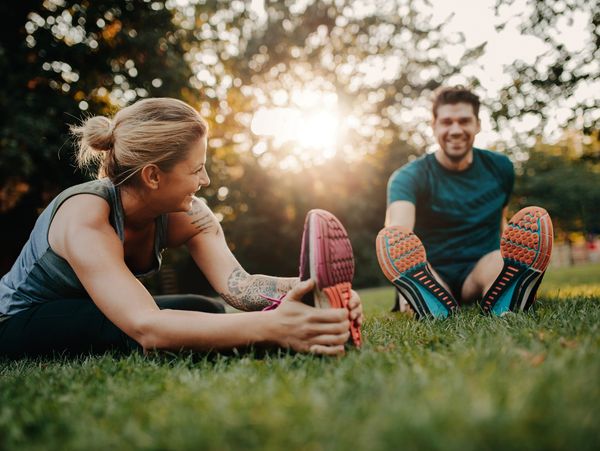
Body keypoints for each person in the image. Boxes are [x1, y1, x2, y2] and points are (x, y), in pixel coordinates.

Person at [0, 98, 362, 358]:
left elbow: (240, 286)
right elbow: (147, 325)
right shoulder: (85, 217)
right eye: (195, 169)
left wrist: (316, 289)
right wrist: (274, 328)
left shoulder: (188, 213)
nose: (204, 180)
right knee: (126, 330)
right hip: (18, 320)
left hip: (93, 310)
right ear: (153, 175)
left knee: (205, 310)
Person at [376, 86, 553, 318]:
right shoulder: (409, 177)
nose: (456, 130)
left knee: (500, 263)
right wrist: (401, 285)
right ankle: (420, 295)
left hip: (480, 267)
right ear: (434, 126)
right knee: (423, 274)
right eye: (447, 122)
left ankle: (510, 292)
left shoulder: (500, 167)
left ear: (477, 124)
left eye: (464, 121)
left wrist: (512, 253)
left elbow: (500, 219)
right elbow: (398, 234)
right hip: (432, 270)